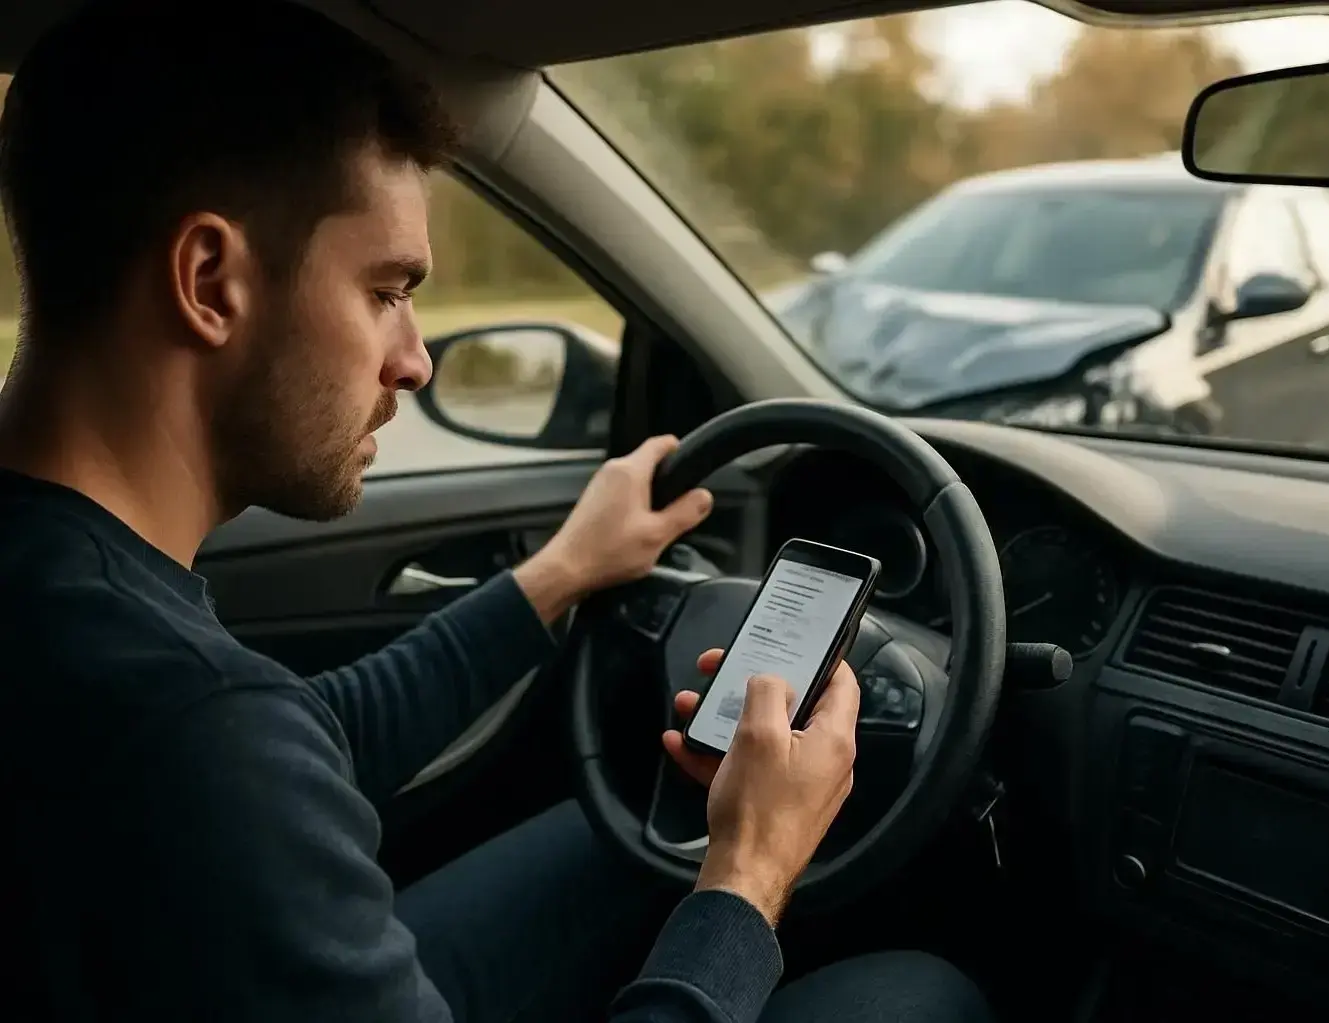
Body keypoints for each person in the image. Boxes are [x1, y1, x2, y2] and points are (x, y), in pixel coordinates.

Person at [0, 2, 995, 1021]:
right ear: (210, 281)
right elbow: (244, 751)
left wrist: (559, 572)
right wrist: (748, 873)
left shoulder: (83, 612)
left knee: (613, 854)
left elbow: (298, 741)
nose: (415, 359)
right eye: (386, 290)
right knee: (914, 994)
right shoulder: (192, 726)